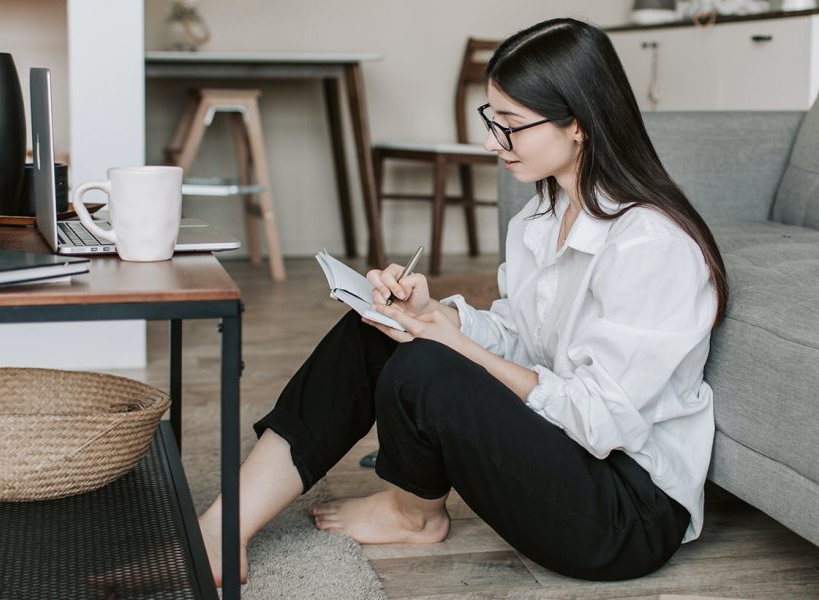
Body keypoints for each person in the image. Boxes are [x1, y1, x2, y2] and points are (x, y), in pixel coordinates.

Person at [197, 16, 728, 585]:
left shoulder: (650, 246)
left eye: (511, 125)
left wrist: (454, 348)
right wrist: (434, 314)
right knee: (376, 327)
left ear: (578, 124)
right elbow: (525, 340)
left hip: (625, 511)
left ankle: (413, 514)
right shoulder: (539, 218)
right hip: (568, 451)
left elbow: (601, 422)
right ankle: (223, 527)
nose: (490, 142)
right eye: (491, 119)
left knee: (429, 365)